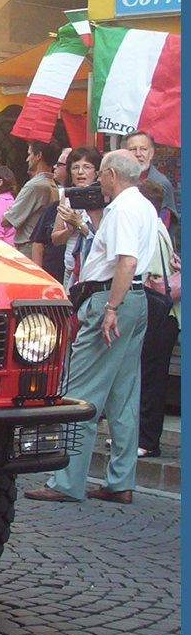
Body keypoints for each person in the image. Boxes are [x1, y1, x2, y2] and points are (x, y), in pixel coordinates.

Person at [25, 149, 157, 504]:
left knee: (81, 390)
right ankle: (120, 481)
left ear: (113, 174)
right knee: (125, 394)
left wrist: (111, 307)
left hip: (112, 298)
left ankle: (66, 481)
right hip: (134, 298)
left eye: (100, 173)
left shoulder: (126, 208)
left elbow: (124, 260)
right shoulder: (140, 205)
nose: (97, 179)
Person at [136, 178, 180, 459]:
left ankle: (148, 440)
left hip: (157, 308)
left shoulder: (149, 227)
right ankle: (143, 437)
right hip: (167, 311)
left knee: (150, 376)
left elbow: (147, 272)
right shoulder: (159, 226)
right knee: (150, 375)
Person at [50, 146, 103, 291]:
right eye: (75, 167)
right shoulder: (66, 196)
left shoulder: (103, 196)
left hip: (93, 269)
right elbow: (55, 239)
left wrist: (80, 224)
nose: (80, 172)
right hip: (70, 267)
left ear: (97, 171)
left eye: (87, 167)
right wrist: (70, 230)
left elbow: (102, 239)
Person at [2, 139, 61, 259]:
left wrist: (11, 209)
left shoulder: (35, 186)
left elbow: (6, 221)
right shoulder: (51, 185)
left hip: (28, 247)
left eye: (29, 154)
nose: (27, 159)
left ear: (38, 155)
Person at [124, 130, 179, 235]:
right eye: (133, 149)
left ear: (152, 153)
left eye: (143, 149)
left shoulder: (160, 184)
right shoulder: (120, 180)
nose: (138, 154)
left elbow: (162, 227)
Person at [29, 147, 71, 280]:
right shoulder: (53, 208)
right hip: (50, 276)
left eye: (60, 164)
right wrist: (39, 276)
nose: (54, 167)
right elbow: (38, 241)